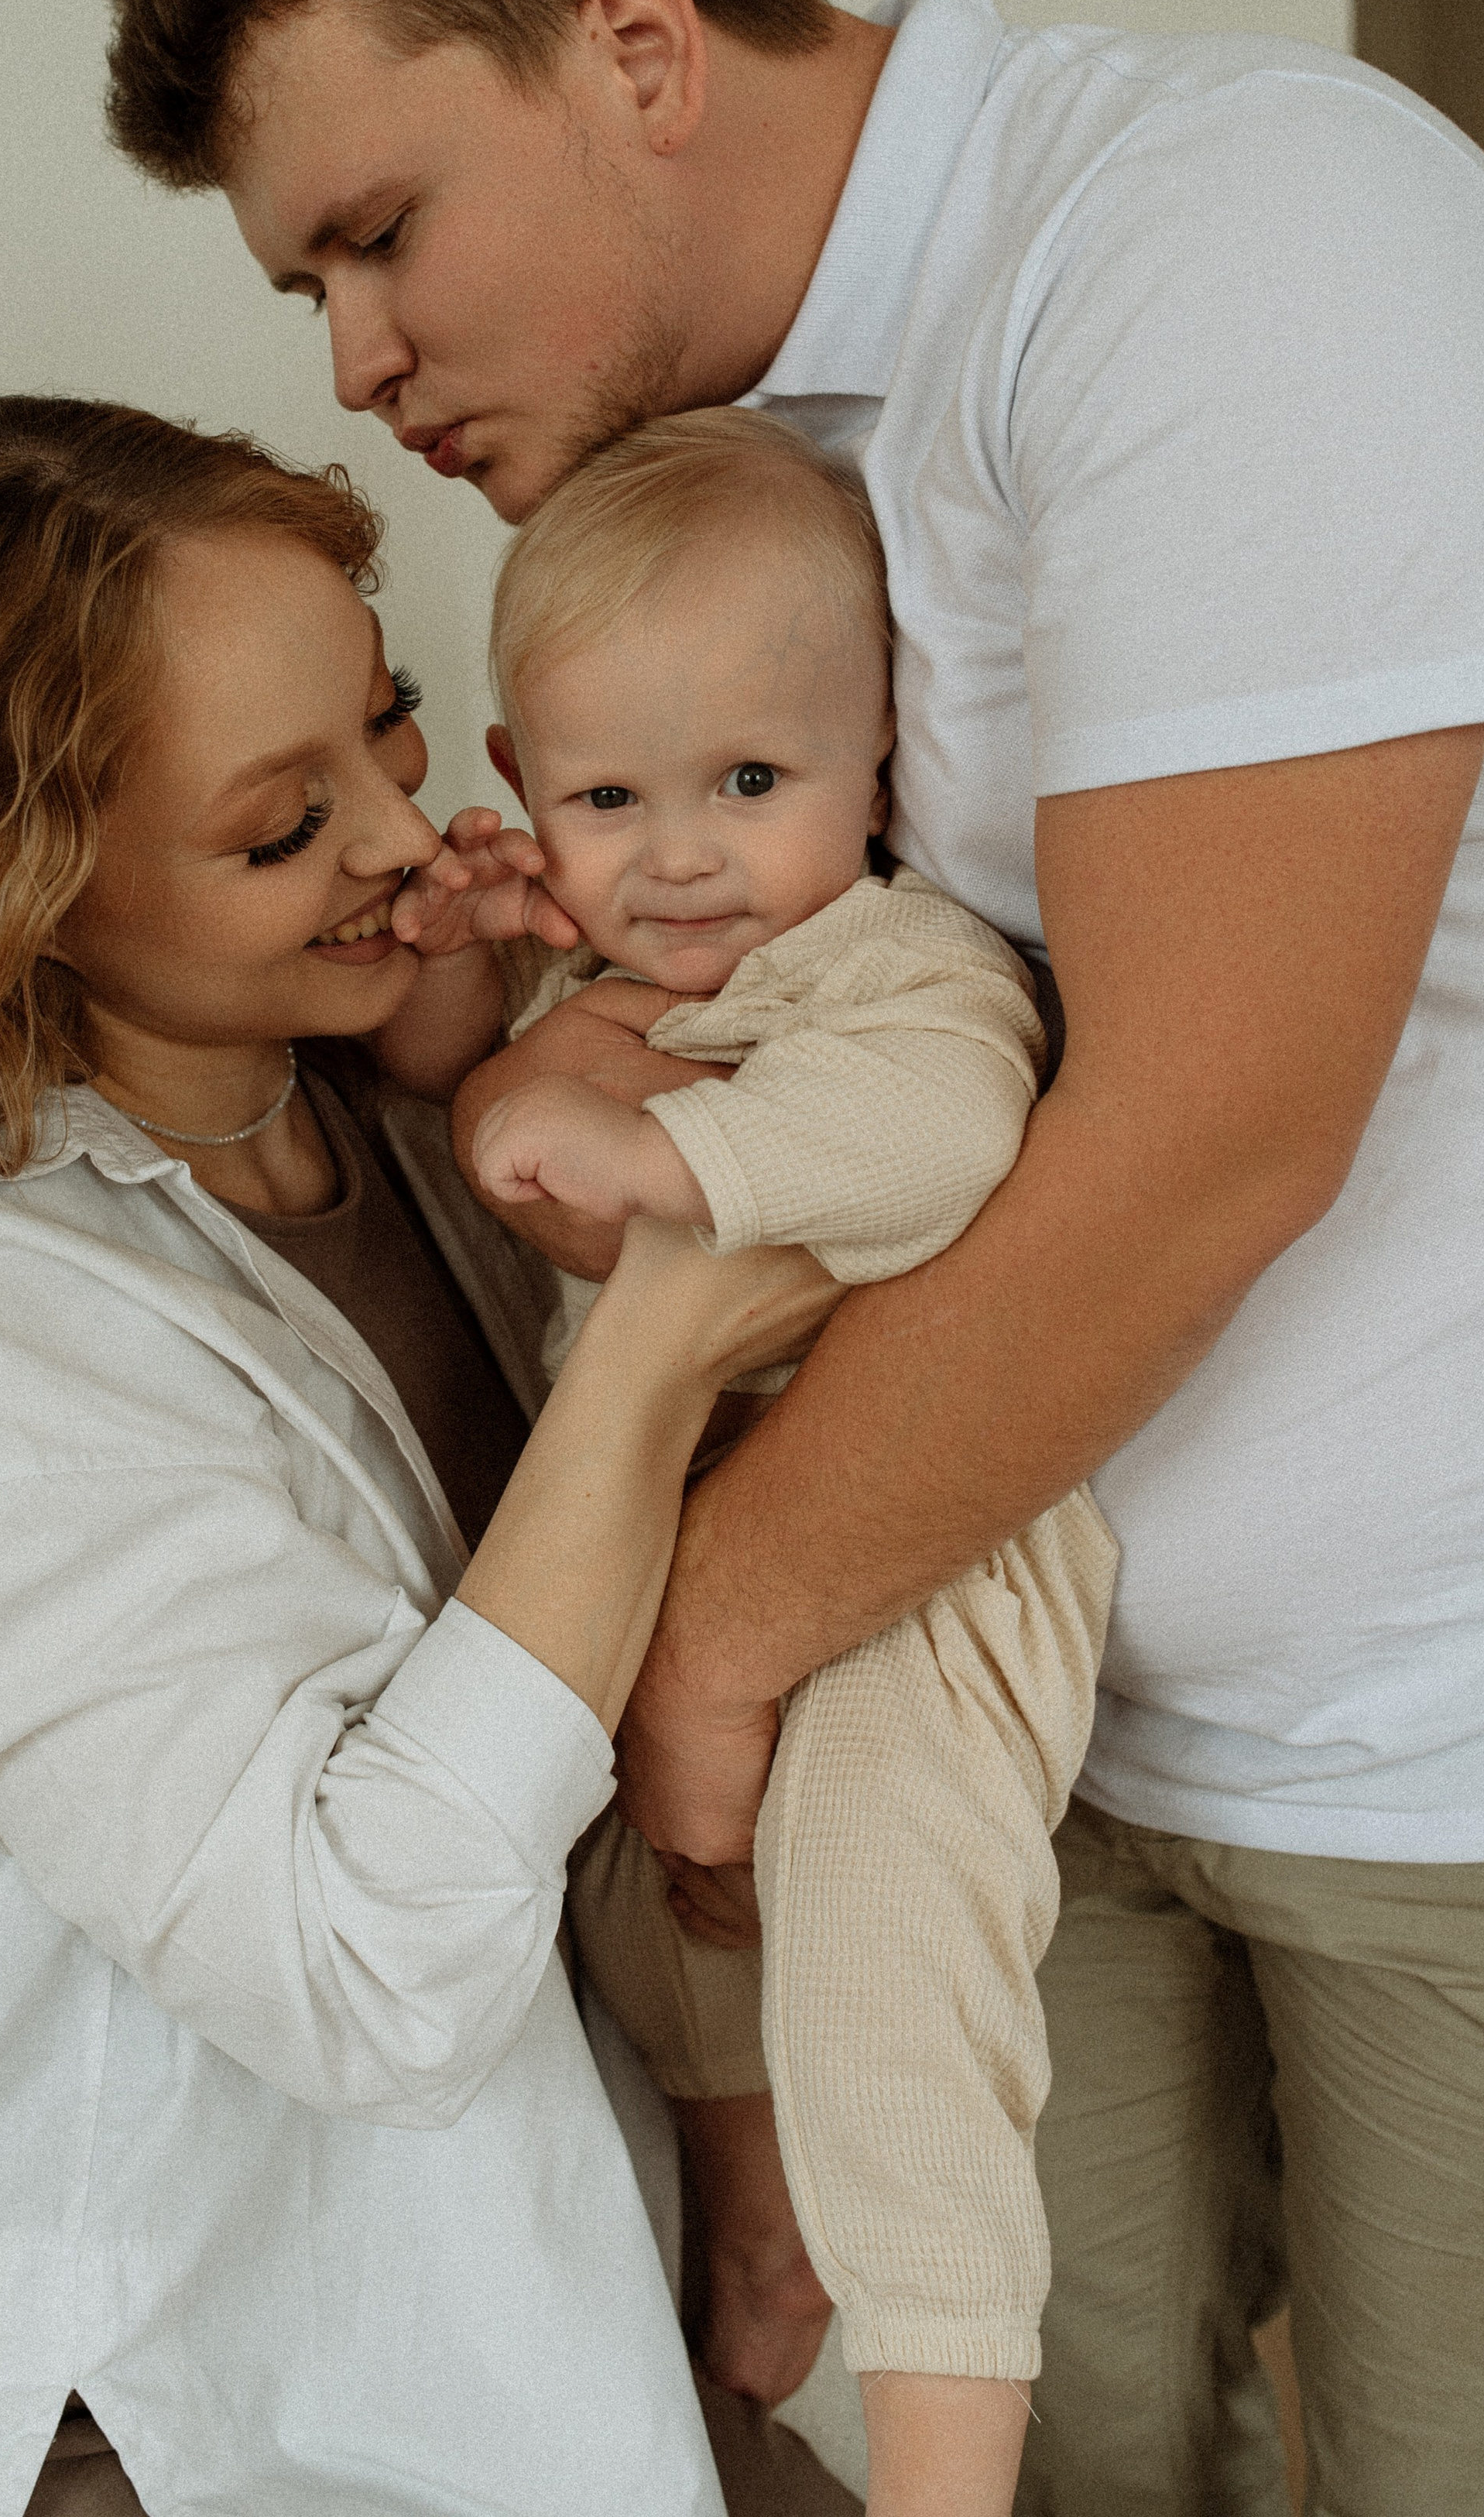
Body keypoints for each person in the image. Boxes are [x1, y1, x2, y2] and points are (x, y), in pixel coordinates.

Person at [103, 0, 1484, 2516]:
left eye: (381, 232)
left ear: (636, 39)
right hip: (1036, 1722)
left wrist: (714, 1641)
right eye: (308, 283)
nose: (355, 358)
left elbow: (1213, 1134)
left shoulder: (1225, 246)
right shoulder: (745, 473)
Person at [0, 395, 846, 2517]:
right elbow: (366, 1973)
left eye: (387, 727)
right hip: (94, 2412)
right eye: (283, 827)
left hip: (437, 2315)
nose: (399, 837)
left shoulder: (376, 1123)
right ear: (19, 890)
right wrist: (655, 1353)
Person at [379, 400, 1116, 2517]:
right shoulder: (595, 964)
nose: (683, 857)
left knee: (886, 1973)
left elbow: (946, 1130)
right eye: (609, 799)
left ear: (879, 758)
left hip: (920, 1568)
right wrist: (460, 970)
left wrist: (669, 1155)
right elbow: (455, 1088)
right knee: (644, 1915)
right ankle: (762, 2231)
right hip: (684, 1548)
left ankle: (945, 2465)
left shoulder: (897, 959)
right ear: (524, 783)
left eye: (753, 785)